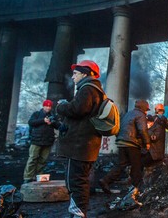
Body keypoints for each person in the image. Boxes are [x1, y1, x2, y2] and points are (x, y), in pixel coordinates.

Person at [56, 60, 104, 218]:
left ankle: (78, 214)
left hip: (78, 146)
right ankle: (78, 212)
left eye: (75, 73)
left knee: (75, 182)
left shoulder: (87, 89)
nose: (72, 77)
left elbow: (78, 109)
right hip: (87, 145)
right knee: (81, 180)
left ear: (85, 73)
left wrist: (61, 106)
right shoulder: (96, 91)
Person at [99, 99, 151, 194]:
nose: (146, 111)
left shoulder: (128, 114)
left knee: (121, 164)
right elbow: (142, 130)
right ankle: (136, 189)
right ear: (144, 108)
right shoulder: (141, 115)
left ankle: (106, 180)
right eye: (146, 110)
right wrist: (147, 142)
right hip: (132, 143)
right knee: (136, 166)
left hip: (121, 142)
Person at [23, 99, 61, 184]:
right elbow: (31, 122)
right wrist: (43, 121)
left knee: (43, 160)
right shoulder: (36, 114)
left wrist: (52, 123)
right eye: (46, 106)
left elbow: (58, 126)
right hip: (36, 140)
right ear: (43, 106)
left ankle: (38, 176)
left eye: (49, 106)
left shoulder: (52, 116)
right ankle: (28, 177)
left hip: (47, 140)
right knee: (32, 158)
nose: (48, 107)